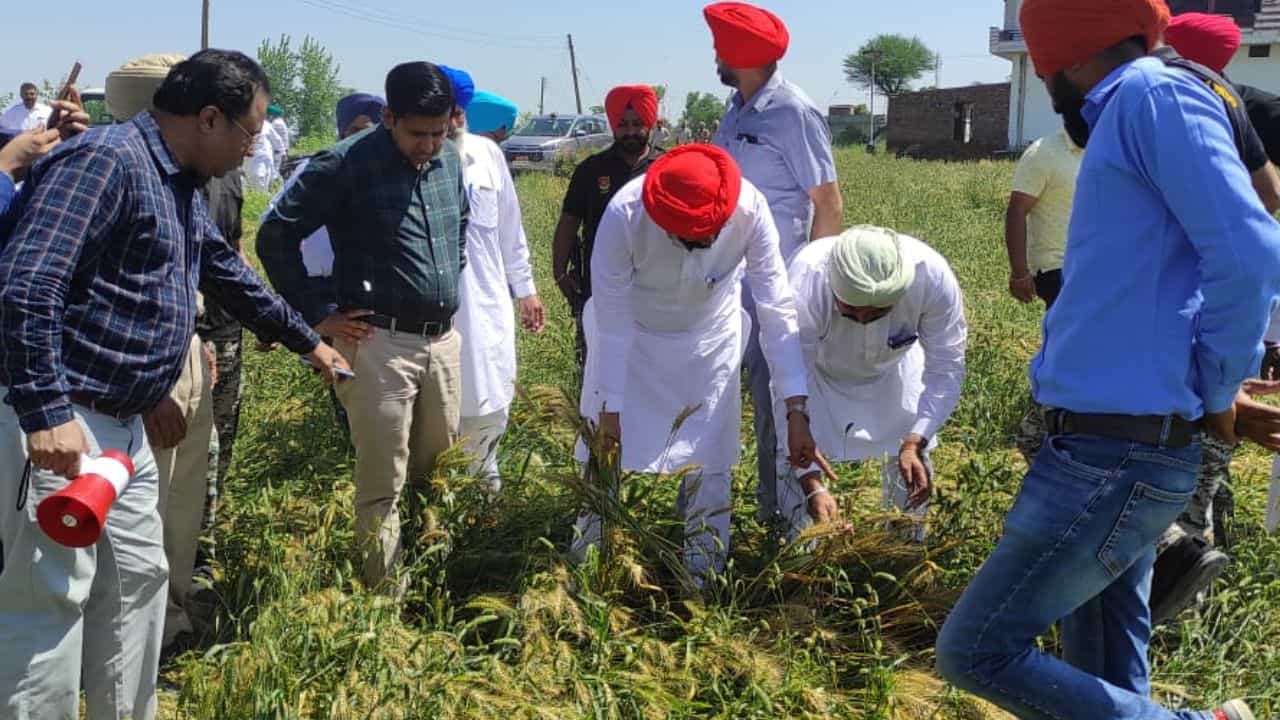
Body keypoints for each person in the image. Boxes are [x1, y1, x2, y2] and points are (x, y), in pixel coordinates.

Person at [935, 2, 1280, 719]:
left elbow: (1248, 257)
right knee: (1103, 667)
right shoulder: (1134, 108)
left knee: (976, 651)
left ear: (1059, 57)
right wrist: (1197, 392)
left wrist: (1216, 390)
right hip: (1111, 443)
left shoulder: (1152, 94)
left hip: (1112, 458)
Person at [0, 48, 348, 720]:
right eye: (249, 133)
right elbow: (28, 282)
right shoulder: (106, 162)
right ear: (209, 118)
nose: (253, 150)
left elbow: (225, 271)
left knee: (139, 582)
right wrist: (46, 411)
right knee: (49, 598)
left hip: (121, 430)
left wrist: (309, 341)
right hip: (66, 421)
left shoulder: (175, 180)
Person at [257, 61, 469, 591]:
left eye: (438, 132)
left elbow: (459, 227)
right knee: (382, 484)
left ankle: (433, 583)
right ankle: (384, 603)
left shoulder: (450, 162)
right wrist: (315, 313)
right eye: (417, 133)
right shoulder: (344, 164)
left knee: (437, 471)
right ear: (388, 117)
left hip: (441, 342)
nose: (428, 145)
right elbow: (275, 236)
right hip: (378, 343)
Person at [570, 144, 814, 580]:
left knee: (711, 461)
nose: (698, 246)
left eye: (708, 237)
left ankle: (702, 578)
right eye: (685, 239)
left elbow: (776, 309)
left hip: (710, 341)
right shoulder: (624, 215)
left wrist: (796, 407)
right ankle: (590, 566)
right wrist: (610, 409)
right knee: (603, 455)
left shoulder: (750, 208)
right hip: (631, 339)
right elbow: (611, 323)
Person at [103, 51, 224, 656]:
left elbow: (214, 264)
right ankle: (139, 632)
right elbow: (83, 298)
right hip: (145, 373)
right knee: (146, 504)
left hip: (187, 350)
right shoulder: (109, 172)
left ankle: (173, 611)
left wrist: (196, 341)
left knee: (185, 495)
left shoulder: (186, 182)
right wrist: (153, 382)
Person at [705, 1, 843, 529]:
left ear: (739, 54)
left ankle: (789, 524)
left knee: (782, 410)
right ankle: (726, 513)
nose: (715, 56)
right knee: (719, 404)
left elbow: (827, 203)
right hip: (726, 285)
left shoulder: (793, 112)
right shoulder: (737, 109)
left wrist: (810, 287)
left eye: (720, 47)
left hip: (777, 288)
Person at [775, 226, 967, 543]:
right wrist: (811, 483)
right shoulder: (808, 277)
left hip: (896, 371)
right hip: (819, 375)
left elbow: (947, 366)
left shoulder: (931, 275)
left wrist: (916, 440)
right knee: (797, 461)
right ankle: (803, 550)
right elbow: (790, 374)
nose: (863, 320)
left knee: (912, 470)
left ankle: (906, 545)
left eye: (878, 313)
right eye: (850, 311)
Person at [441, 67, 546, 493]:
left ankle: (486, 499)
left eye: (453, 113)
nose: (447, 123)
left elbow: (510, 229)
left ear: (462, 113)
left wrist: (526, 290)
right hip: (432, 316)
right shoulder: (407, 157)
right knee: (438, 415)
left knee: (487, 406)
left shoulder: (487, 155)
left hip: (484, 307)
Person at [553, 84, 664, 369]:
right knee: (597, 367)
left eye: (637, 124)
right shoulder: (591, 170)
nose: (630, 132)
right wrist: (560, 273)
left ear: (650, 123)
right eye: (623, 125)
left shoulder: (666, 167)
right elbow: (568, 223)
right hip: (600, 287)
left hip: (658, 288)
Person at [1005, 128, 1082, 309]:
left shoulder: (1107, 152)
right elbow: (1017, 210)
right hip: (1056, 267)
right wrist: (1019, 272)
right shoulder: (1043, 153)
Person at [267, 103, 290, 169]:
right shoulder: (279, 122)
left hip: (279, 152)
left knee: (276, 172)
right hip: (281, 150)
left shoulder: (276, 123)